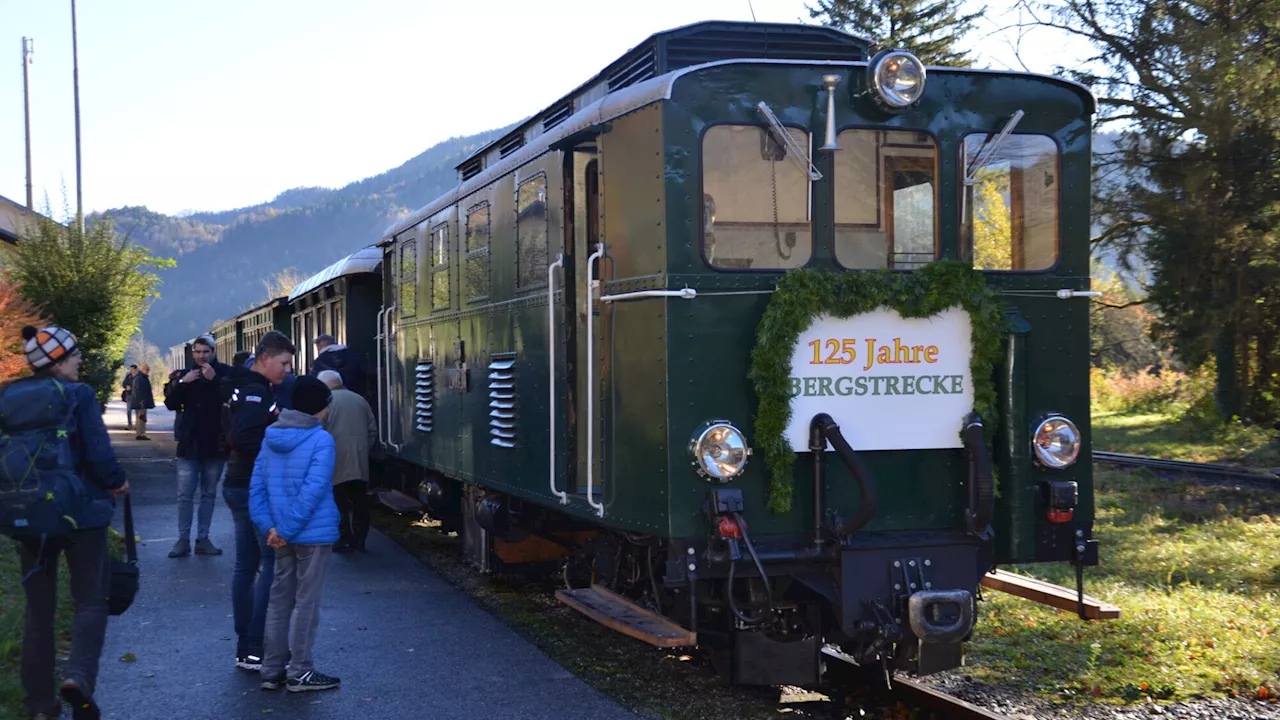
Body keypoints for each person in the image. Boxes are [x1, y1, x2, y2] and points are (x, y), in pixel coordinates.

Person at [3, 326, 129, 720]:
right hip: (82, 514)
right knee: (91, 600)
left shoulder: (9, 396)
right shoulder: (80, 395)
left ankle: (40, 706)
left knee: (38, 611)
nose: (79, 363)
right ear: (57, 361)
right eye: (74, 356)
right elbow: (97, 450)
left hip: (28, 517)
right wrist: (117, 481)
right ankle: (77, 677)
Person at [250, 376, 342, 693]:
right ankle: (300, 670)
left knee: (279, 600)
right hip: (312, 535)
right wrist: (287, 530)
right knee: (307, 602)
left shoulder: (270, 436)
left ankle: (271, 668)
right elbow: (313, 491)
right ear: (319, 407)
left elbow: (257, 491)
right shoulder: (321, 441)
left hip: (279, 534)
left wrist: (271, 529)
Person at [222, 331, 294, 671]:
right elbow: (245, 437)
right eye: (283, 363)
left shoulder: (246, 387)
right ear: (264, 357)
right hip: (253, 487)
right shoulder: (256, 392)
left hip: (238, 484)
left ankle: (244, 646)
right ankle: (256, 645)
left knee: (245, 567)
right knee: (270, 565)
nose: (286, 370)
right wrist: (279, 448)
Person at [163, 335, 229, 558]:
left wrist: (215, 381)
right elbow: (170, 403)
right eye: (197, 352)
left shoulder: (224, 373)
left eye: (205, 352)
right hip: (189, 444)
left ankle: (203, 538)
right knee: (184, 495)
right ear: (193, 353)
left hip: (215, 443)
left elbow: (232, 398)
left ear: (213, 352)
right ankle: (182, 539)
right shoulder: (184, 375)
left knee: (209, 494)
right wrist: (183, 383)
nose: (201, 356)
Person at [317, 370, 377, 551]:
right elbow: (372, 430)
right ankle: (360, 539)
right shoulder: (359, 400)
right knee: (360, 500)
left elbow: (318, 430)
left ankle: (343, 538)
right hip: (359, 460)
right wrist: (363, 448)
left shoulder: (325, 402)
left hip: (334, 459)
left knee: (338, 501)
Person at [129, 363, 155, 441]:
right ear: (144, 369)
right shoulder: (141, 378)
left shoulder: (139, 377)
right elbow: (140, 391)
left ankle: (139, 433)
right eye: (147, 370)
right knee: (141, 418)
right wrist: (142, 401)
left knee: (139, 417)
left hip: (139, 401)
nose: (148, 372)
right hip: (141, 402)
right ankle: (141, 433)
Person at [122, 365, 137, 430]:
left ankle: (138, 425)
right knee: (128, 410)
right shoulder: (128, 376)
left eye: (132, 369)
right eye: (130, 369)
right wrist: (126, 386)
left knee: (138, 411)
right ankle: (129, 424)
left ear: (135, 369)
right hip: (129, 395)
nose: (131, 370)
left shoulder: (139, 376)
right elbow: (124, 383)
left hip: (137, 396)